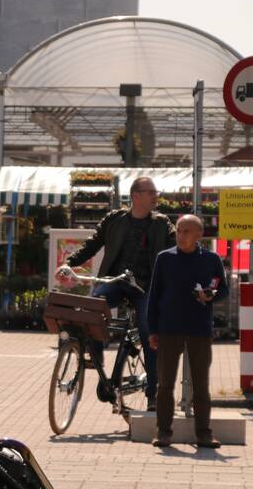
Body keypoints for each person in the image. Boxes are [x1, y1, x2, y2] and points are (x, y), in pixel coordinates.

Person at [56, 176, 176, 411]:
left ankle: (153, 393)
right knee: (92, 307)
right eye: (151, 192)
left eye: (156, 192)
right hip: (115, 281)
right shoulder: (114, 220)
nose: (156, 196)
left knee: (148, 331)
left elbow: (177, 246)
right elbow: (91, 245)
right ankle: (97, 357)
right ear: (136, 196)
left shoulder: (162, 224)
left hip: (145, 287)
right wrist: (69, 263)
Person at [146, 215, 228, 448]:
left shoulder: (211, 259)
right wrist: (153, 329)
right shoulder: (165, 258)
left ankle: (204, 433)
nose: (181, 236)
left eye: (186, 231)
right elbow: (154, 296)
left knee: (201, 384)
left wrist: (210, 296)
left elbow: (223, 290)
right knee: (165, 384)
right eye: (179, 231)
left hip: (199, 328)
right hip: (169, 328)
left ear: (199, 234)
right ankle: (163, 432)